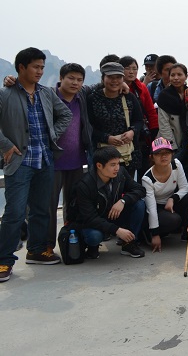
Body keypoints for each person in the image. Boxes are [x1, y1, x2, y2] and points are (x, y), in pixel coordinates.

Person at [0, 48, 72, 282]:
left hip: (45, 159)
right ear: (21, 67)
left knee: (42, 209)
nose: (40, 71)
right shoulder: (6, 93)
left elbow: (65, 115)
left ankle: (37, 250)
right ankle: (4, 260)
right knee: (15, 212)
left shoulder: (46, 93)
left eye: (42, 67)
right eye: (35, 67)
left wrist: (53, 135)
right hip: (20, 161)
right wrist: (6, 145)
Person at [70, 146, 147, 259]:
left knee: (139, 205)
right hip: (92, 221)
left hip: (112, 214)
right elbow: (89, 218)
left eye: (118, 163)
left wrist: (123, 201)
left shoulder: (120, 173)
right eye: (112, 165)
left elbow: (140, 190)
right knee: (94, 236)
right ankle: (92, 246)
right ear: (99, 166)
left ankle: (129, 243)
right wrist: (117, 230)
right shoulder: (85, 184)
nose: (117, 168)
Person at [48, 63, 91, 251]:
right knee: (49, 206)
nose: (75, 83)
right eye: (71, 78)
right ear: (61, 78)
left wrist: (123, 84)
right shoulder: (48, 96)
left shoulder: (82, 97)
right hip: (52, 161)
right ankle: (47, 246)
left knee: (73, 204)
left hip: (76, 161)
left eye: (79, 80)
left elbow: (102, 85)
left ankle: (70, 243)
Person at [87, 62, 144, 178]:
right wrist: (107, 138)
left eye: (118, 77)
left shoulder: (129, 97)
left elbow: (139, 120)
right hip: (103, 155)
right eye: (110, 77)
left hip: (128, 154)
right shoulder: (93, 99)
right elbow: (88, 126)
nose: (115, 81)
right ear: (103, 78)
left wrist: (132, 132)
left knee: (127, 186)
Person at [141, 137, 188, 252]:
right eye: (159, 153)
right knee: (174, 220)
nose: (164, 156)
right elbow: (151, 209)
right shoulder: (147, 179)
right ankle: (150, 232)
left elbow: (185, 188)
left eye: (167, 153)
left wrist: (173, 198)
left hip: (171, 202)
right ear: (152, 157)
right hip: (157, 207)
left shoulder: (176, 164)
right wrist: (155, 234)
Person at [120, 56, 158, 177]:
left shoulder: (141, 88)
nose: (131, 72)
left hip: (141, 136)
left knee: (144, 171)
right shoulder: (114, 88)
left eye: (134, 68)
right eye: (127, 68)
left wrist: (154, 134)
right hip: (121, 136)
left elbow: (151, 111)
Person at [157, 63, 188, 163]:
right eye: (173, 75)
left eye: (179, 75)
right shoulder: (164, 96)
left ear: (186, 76)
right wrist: (171, 146)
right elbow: (164, 124)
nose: (176, 78)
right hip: (171, 140)